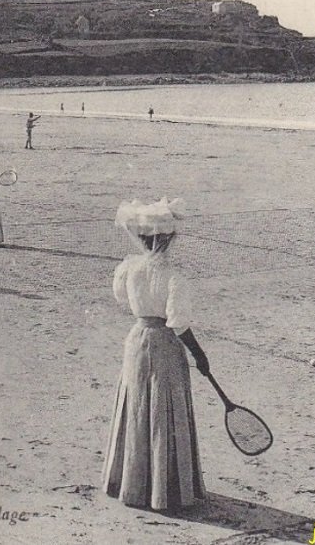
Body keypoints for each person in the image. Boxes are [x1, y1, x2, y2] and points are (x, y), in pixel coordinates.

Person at [103, 198, 206, 511]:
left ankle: (132, 484)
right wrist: (200, 356)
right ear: (168, 238)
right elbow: (178, 323)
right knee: (164, 411)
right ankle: (165, 490)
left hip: (137, 340)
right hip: (163, 346)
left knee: (136, 407)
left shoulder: (130, 269)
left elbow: (122, 298)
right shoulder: (174, 277)